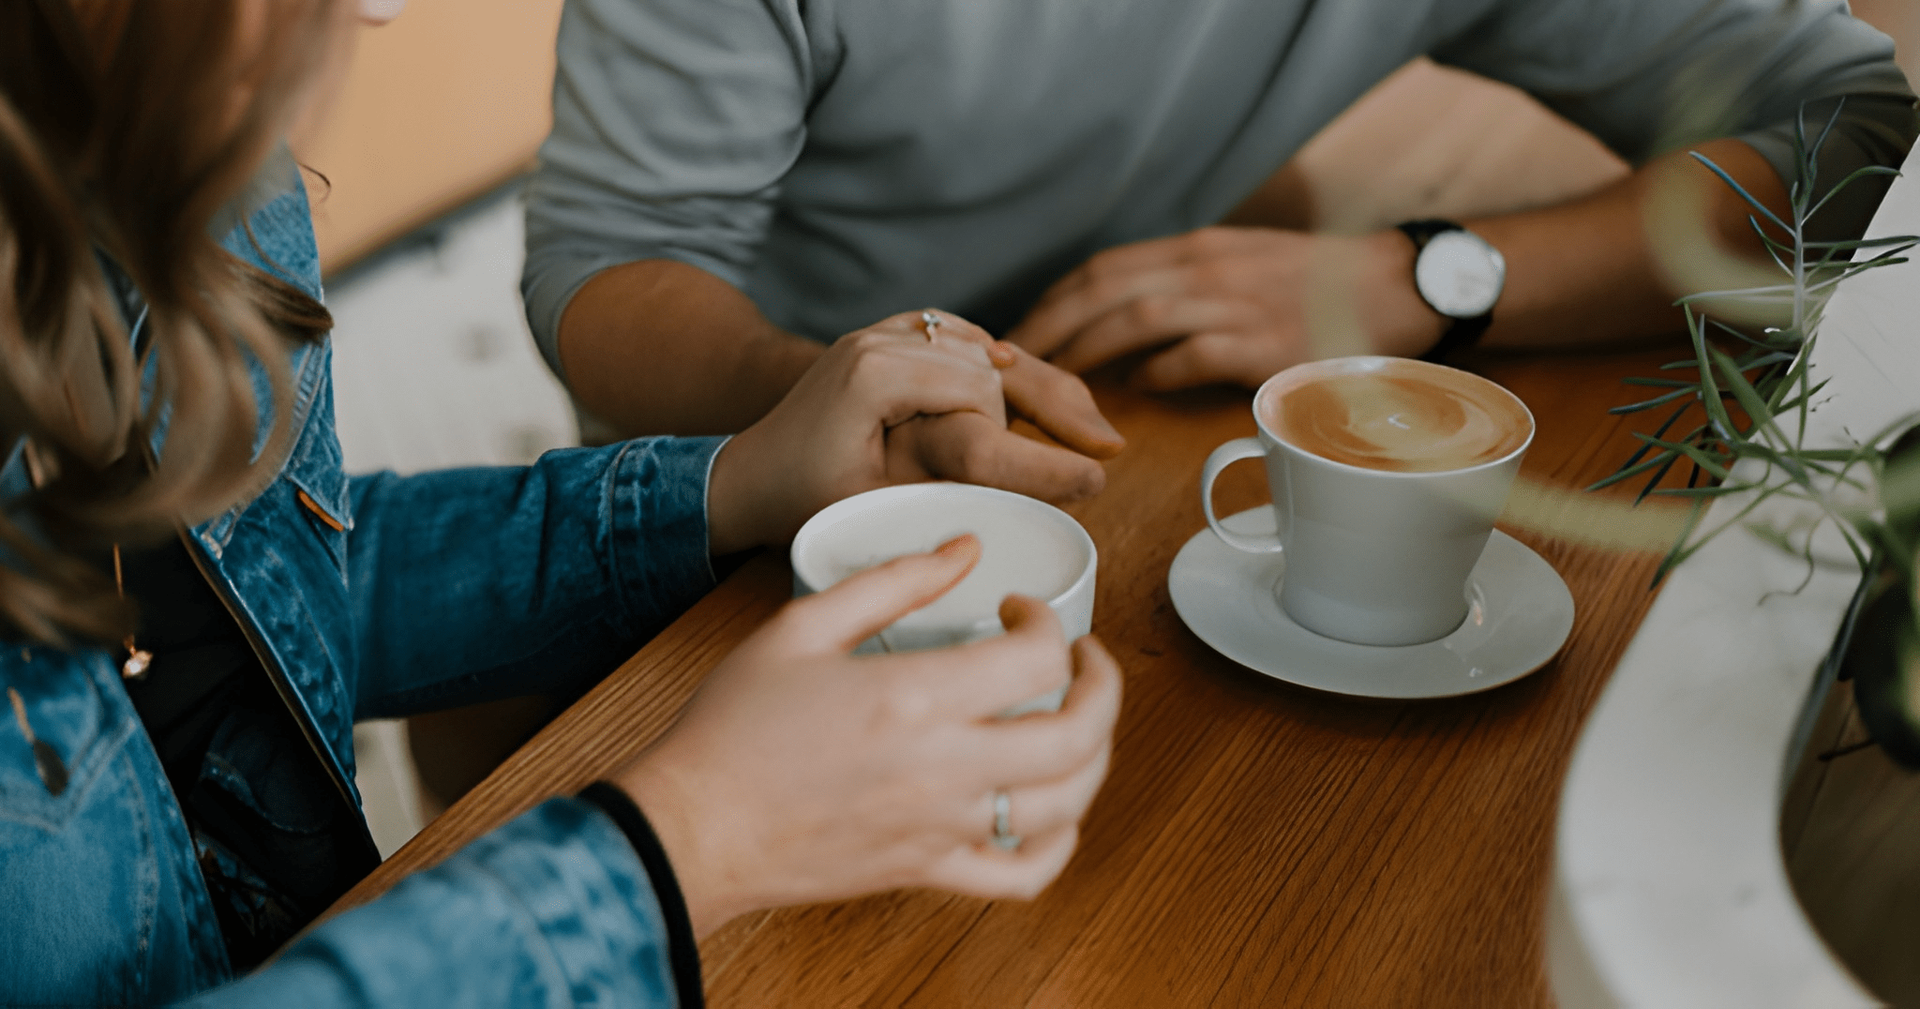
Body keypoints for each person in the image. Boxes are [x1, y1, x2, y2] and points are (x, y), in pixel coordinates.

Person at [0, 2, 1121, 1006]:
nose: (385, 12)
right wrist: (684, 845)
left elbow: (278, 585)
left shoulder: (177, 175)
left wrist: (731, 484)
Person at [523, 0, 1917, 438]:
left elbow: (1855, 128)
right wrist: (818, 394)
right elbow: (612, 265)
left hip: (1143, 424)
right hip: (749, 472)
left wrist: (1433, 276)